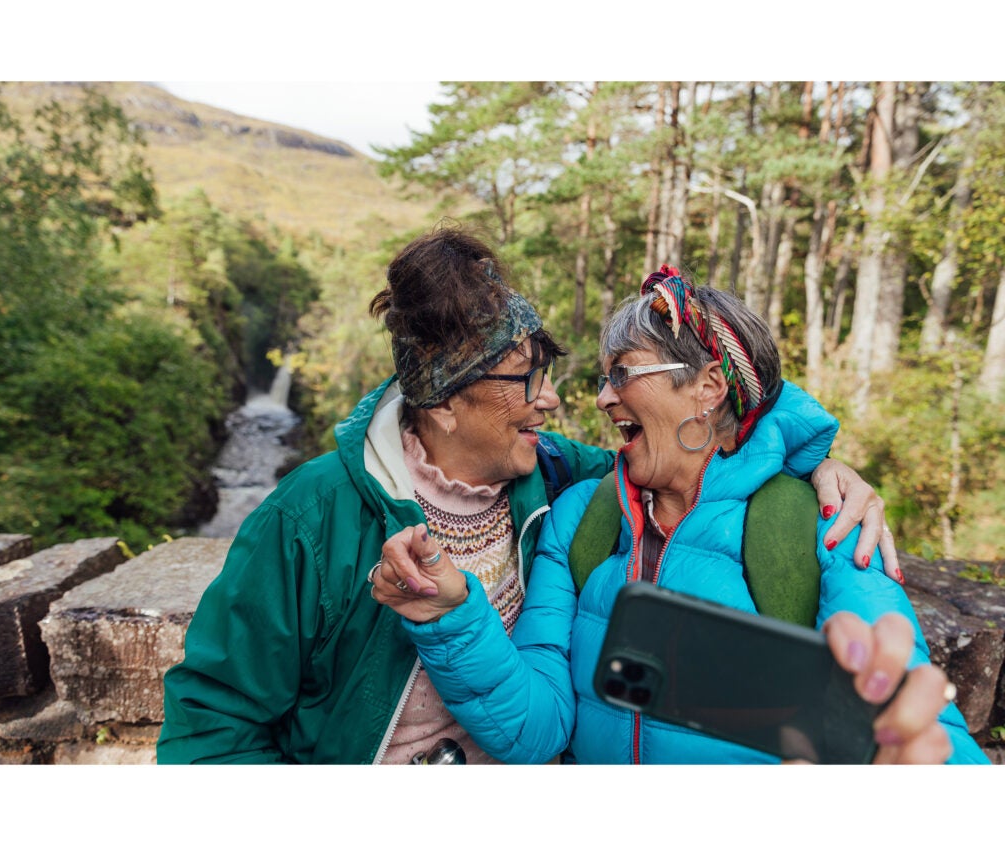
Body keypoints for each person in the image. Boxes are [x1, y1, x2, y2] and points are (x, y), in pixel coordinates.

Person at [157, 230, 897, 765]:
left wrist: (817, 457)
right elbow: (212, 732)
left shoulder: (562, 483)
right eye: (523, 378)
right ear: (444, 403)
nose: (553, 399)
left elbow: (719, 409)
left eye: (547, 369)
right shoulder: (311, 517)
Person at [372, 264, 989, 765]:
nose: (602, 396)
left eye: (623, 373)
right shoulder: (581, 520)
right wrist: (451, 618)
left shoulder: (821, 523)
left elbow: (918, 715)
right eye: (603, 376)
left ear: (709, 388)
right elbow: (535, 730)